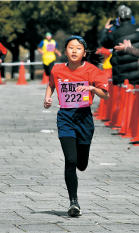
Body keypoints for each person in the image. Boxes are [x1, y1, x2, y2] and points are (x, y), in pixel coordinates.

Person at [44, 36, 110, 217]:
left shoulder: (92, 71)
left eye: (78, 48)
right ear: (65, 51)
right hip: (65, 118)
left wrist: (91, 89)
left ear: (84, 53)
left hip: (84, 119)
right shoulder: (57, 69)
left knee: (81, 164)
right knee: (70, 161)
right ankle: (74, 202)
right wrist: (48, 98)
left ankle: (81, 162)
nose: (74, 50)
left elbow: (105, 95)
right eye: (70, 47)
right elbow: (51, 86)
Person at [100, 5, 139, 85]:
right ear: (131, 18)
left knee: (124, 97)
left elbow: (103, 42)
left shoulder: (114, 34)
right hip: (137, 76)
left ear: (119, 19)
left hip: (122, 77)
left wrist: (105, 29)